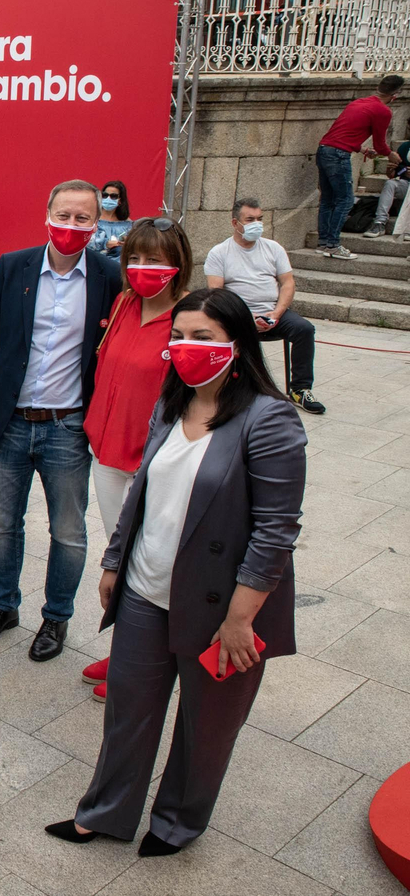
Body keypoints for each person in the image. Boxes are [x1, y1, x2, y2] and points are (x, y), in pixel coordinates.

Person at [46, 287, 306, 857]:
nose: (187, 348)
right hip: (145, 589)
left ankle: (176, 823)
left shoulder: (270, 421)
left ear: (238, 345)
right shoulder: (172, 402)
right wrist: (116, 562)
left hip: (222, 608)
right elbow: (142, 491)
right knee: (128, 713)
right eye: (179, 336)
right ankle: (105, 813)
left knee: (205, 728)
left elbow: (275, 532)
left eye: (204, 338)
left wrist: (241, 619)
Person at [0, 180, 122, 662]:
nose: (71, 226)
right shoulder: (14, 266)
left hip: (68, 426)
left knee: (69, 531)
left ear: (96, 225)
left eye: (82, 219)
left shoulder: (107, 276)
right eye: (63, 215)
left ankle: (56, 617)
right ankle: (4, 606)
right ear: (47, 214)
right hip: (10, 423)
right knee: (4, 526)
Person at [77, 216, 193, 701]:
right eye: (136, 258)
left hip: (157, 465)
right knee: (122, 558)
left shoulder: (191, 316)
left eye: (157, 259)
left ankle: (148, 664)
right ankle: (129, 647)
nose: (144, 268)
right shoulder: (125, 302)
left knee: (154, 564)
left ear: (178, 264)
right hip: (107, 453)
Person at [204, 197, 324, 415]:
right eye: (250, 219)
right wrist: (246, 318)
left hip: (273, 312)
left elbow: (288, 283)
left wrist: (276, 314)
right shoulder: (219, 253)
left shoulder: (273, 248)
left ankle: (300, 389)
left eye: (260, 218)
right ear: (235, 223)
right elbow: (217, 294)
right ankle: (230, 389)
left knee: (303, 328)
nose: (256, 224)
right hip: (238, 316)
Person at [315, 74, 402, 258]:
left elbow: (341, 132)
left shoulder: (358, 102)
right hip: (338, 155)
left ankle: (323, 243)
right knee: (345, 200)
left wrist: (361, 149)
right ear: (395, 95)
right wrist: (390, 154)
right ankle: (333, 245)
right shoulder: (383, 111)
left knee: (328, 199)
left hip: (324, 149)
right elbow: (380, 144)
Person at [90, 180, 132, 254]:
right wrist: (105, 244)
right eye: (105, 195)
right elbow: (85, 243)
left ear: (120, 200)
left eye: (113, 196)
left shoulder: (127, 224)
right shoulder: (92, 219)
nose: (108, 198)